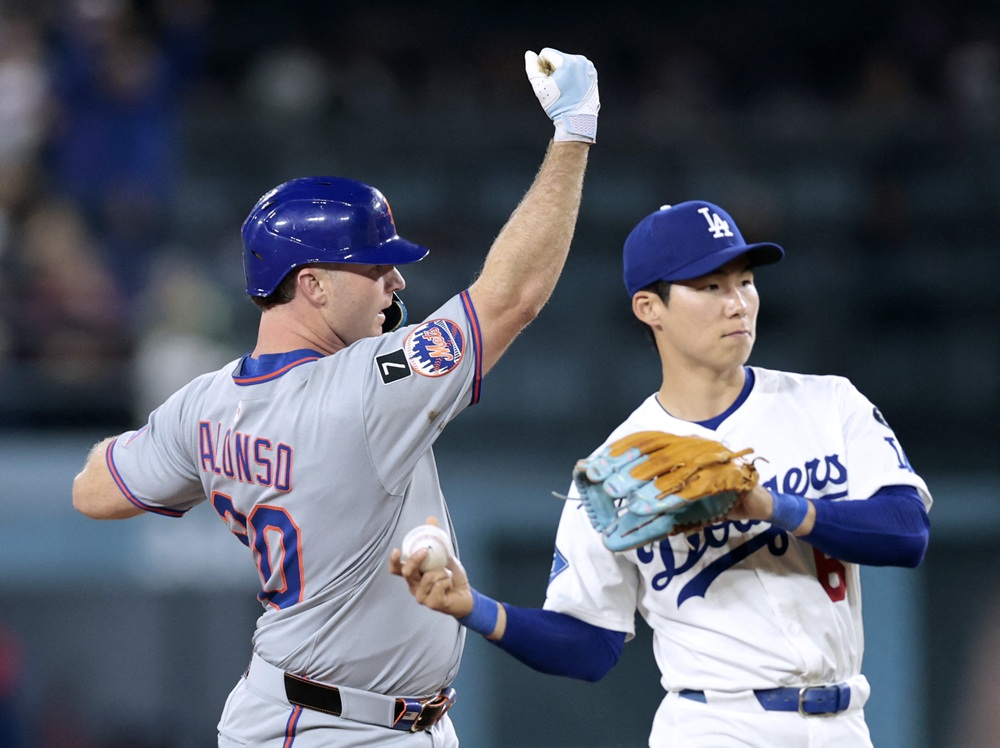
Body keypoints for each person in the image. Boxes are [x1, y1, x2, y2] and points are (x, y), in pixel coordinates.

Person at [71, 46, 599, 747]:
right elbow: (513, 299)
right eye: (376, 267)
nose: (397, 283)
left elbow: (92, 491)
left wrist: (215, 453)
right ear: (314, 285)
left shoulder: (205, 404)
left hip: (373, 716)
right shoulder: (365, 388)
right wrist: (574, 133)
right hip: (327, 728)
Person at [392, 200, 932, 748]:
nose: (738, 304)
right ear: (650, 307)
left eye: (745, 282)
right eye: (711, 287)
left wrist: (773, 506)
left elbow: (907, 532)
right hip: (714, 726)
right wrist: (474, 608)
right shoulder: (615, 470)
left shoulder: (828, 403)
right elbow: (589, 645)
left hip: (845, 724)